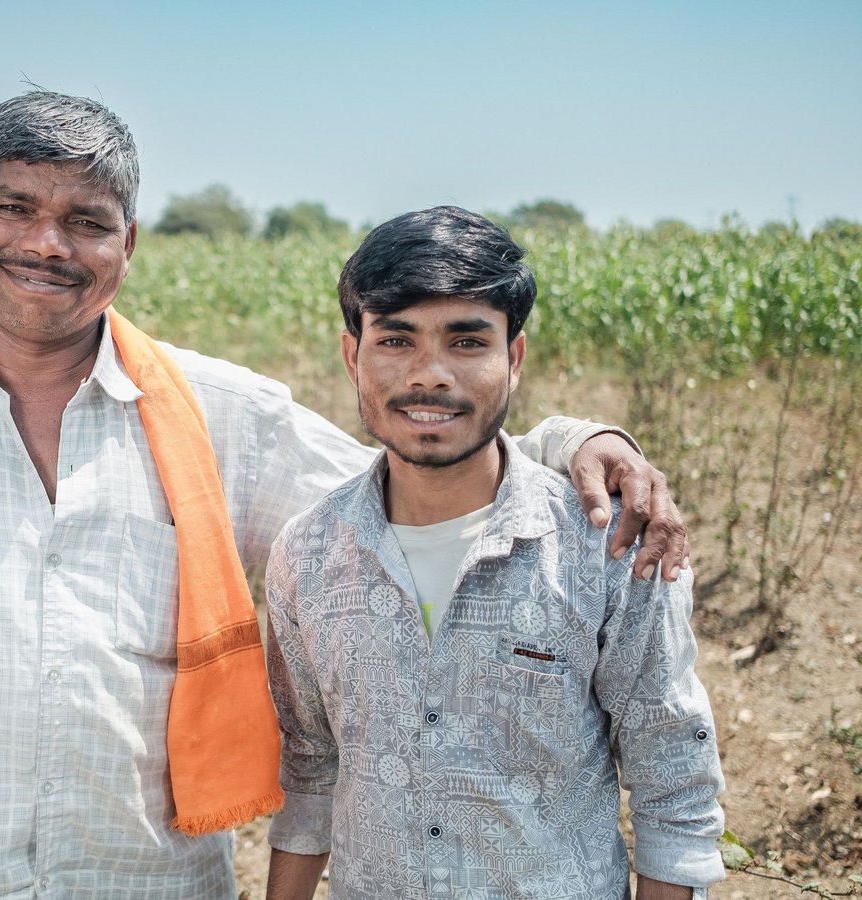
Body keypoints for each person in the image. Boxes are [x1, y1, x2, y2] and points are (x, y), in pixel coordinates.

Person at [0, 92, 688, 899]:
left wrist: (576, 442)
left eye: (87, 219)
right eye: (14, 206)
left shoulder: (217, 414)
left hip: (149, 883)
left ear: (128, 244)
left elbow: (429, 469)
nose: (47, 243)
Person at [265, 207, 724, 899]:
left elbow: (672, 780)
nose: (431, 375)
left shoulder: (606, 545)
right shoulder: (308, 553)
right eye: (396, 340)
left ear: (513, 357)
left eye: (467, 342)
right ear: (352, 355)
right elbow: (310, 768)